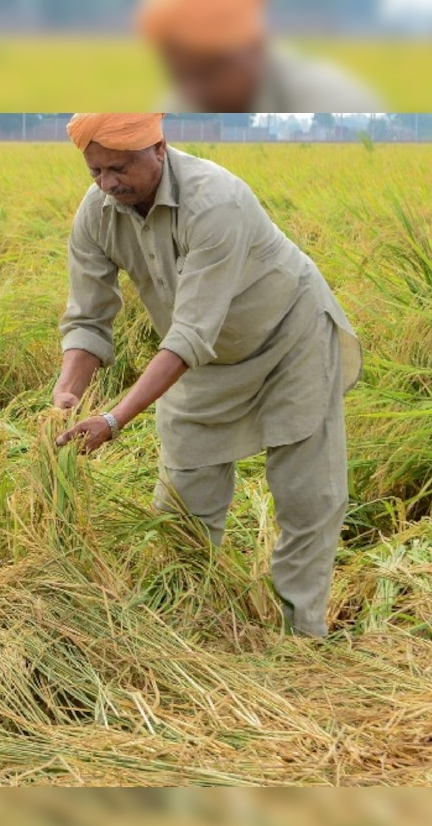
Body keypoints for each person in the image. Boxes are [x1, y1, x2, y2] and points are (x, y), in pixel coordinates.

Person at [54, 113, 363, 638]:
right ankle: (185, 632)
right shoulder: (98, 213)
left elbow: (189, 334)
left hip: (289, 340)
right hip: (201, 361)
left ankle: (302, 639)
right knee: (181, 505)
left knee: (307, 497)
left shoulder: (215, 201)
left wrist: (113, 418)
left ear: (158, 148)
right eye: (96, 172)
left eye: (120, 167)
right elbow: (87, 318)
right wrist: (66, 395)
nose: (108, 184)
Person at [136, 0, 383, 113]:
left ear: (253, 48)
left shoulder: (336, 104)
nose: (193, 91)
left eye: (207, 73)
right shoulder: (178, 108)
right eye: (180, 75)